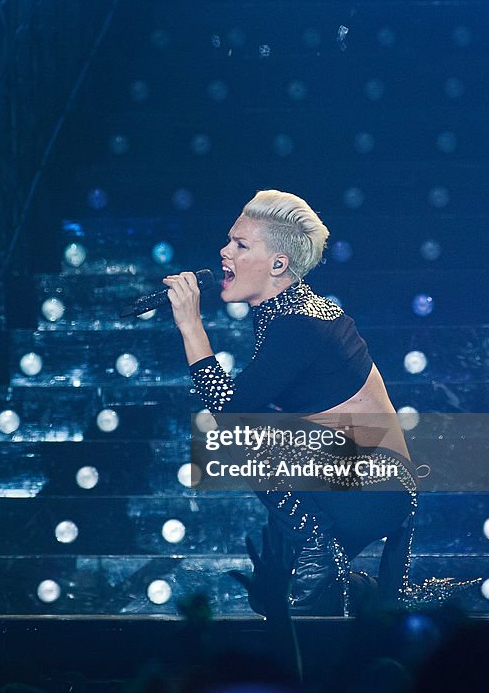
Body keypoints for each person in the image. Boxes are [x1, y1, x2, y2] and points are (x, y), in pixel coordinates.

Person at [164, 189, 417, 614]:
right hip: (354, 484)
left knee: (238, 432)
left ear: (278, 264)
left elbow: (231, 412)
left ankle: (320, 548)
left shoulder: (298, 326)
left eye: (241, 245)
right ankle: (351, 589)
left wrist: (190, 324)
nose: (224, 252)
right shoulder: (291, 313)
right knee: (276, 595)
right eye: (229, 241)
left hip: (372, 487)